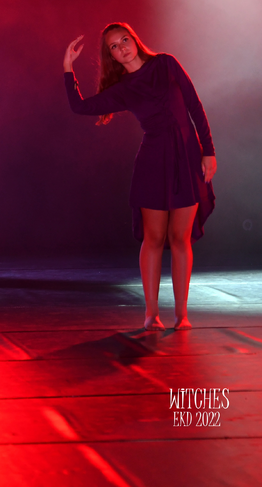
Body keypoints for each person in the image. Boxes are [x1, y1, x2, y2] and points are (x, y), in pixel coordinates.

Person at [63, 23, 216, 331]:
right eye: (114, 47)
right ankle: (151, 314)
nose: (122, 47)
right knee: (154, 238)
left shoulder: (166, 63)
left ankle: (182, 316)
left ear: (135, 40)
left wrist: (208, 151)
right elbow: (79, 106)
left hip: (187, 156)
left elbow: (194, 105)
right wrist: (68, 68)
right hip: (152, 162)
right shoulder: (123, 88)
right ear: (111, 57)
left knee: (181, 237)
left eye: (124, 40)